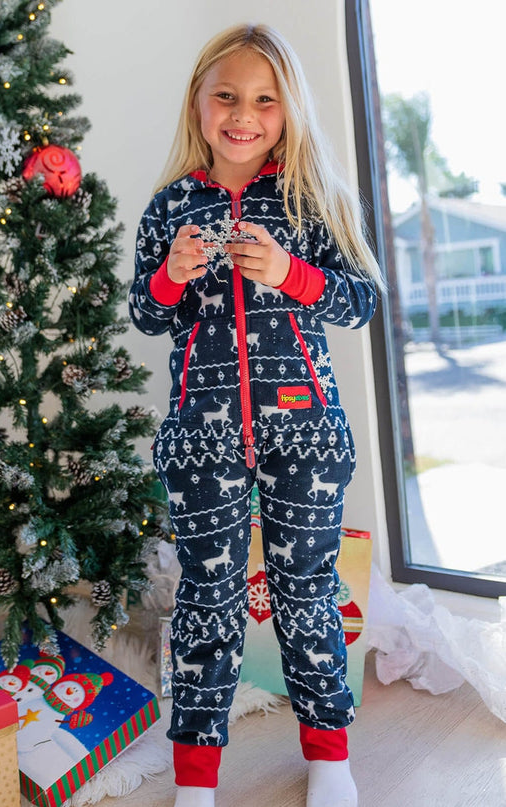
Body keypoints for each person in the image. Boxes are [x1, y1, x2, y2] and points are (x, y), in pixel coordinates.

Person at [129, 22, 383, 807]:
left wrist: (289, 272)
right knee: (206, 599)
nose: (243, 114)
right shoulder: (170, 207)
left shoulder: (309, 200)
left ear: (288, 110)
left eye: (264, 100)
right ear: (198, 104)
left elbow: (359, 301)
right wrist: (170, 276)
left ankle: (329, 759)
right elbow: (145, 313)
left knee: (306, 592)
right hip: (199, 438)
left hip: (304, 431)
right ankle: (196, 779)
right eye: (227, 96)